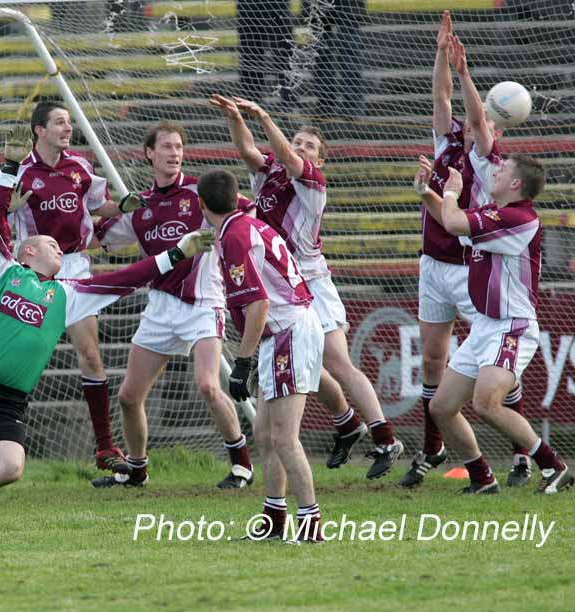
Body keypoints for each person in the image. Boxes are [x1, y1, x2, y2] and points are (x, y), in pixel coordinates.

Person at [0, 138, 215, 509]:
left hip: (5, 402)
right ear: (27, 249)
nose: (59, 247)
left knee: (11, 467)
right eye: (50, 243)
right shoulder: (2, 270)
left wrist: (178, 252)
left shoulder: (69, 294)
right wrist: (10, 165)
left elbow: (130, 275)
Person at [210, 93, 403, 479]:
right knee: (308, 367)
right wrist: (235, 118)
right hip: (282, 285)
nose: (300, 148)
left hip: (311, 281)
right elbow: (249, 151)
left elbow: (282, 155)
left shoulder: (312, 180)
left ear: (320, 157)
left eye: (309, 146)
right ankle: (346, 423)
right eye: (297, 142)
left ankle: (385, 438)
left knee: (338, 362)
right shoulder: (273, 174)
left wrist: (264, 115)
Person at [399, 16, 530, 488]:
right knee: (433, 359)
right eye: (478, 121)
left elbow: (473, 114)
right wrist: (441, 55)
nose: (478, 125)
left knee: (497, 362)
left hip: (472, 267)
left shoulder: (488, 155)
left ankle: (520, 453)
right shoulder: (448, 142)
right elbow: (441, 99)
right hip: (433, 263)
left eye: (487, 122)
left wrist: (468, 75)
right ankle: (433, 447)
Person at [91, 122, 253, 489]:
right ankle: (137, 469)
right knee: (129, 397)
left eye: (178, 146)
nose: (174, 152)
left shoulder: (201, 192)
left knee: (209, 386)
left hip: (202, 302)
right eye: (165, 146)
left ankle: (242, 465)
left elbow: (248, 214)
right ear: (149, 153)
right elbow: (96, 235)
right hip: (160, 307)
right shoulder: (140, 206)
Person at [415, 152, 573, 495]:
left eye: (503, 170)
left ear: (516, 183)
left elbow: (455, 220)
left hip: (511, 325)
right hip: (486, 326)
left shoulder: (520, 218)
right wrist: (427, 191)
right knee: (441, 407)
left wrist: (452, 192)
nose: (496, 171)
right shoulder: (494, 214)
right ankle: (482, 476)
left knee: (486, 402)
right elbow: (450, 222)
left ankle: (554, 465)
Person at [198, 168, 324, 544]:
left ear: (202, 205)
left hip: (288, 331)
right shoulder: (244, 222)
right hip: (284, 332)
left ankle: (311, 526)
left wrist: (242, 361)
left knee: (284, 437)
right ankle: (273, 521)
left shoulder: (236, 236)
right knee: (265, 434)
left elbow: (259, 304)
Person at [7, 100, 128, 473]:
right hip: (36, 269)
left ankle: (105, 447)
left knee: (90, 355)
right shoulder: (19, 173)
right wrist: (5, 208)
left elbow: (100, 206)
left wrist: (128, 206)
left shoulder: (80, 167)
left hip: (74, 265)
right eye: (59, 122)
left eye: (69, 122)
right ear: (39, 130)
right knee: (18, 360)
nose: (67, 128)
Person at [236, 0, 296, 105]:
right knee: (251, 55)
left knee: (284, 53)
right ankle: (252, 98)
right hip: (249, 10)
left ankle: (287, 94)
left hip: (278, 8)